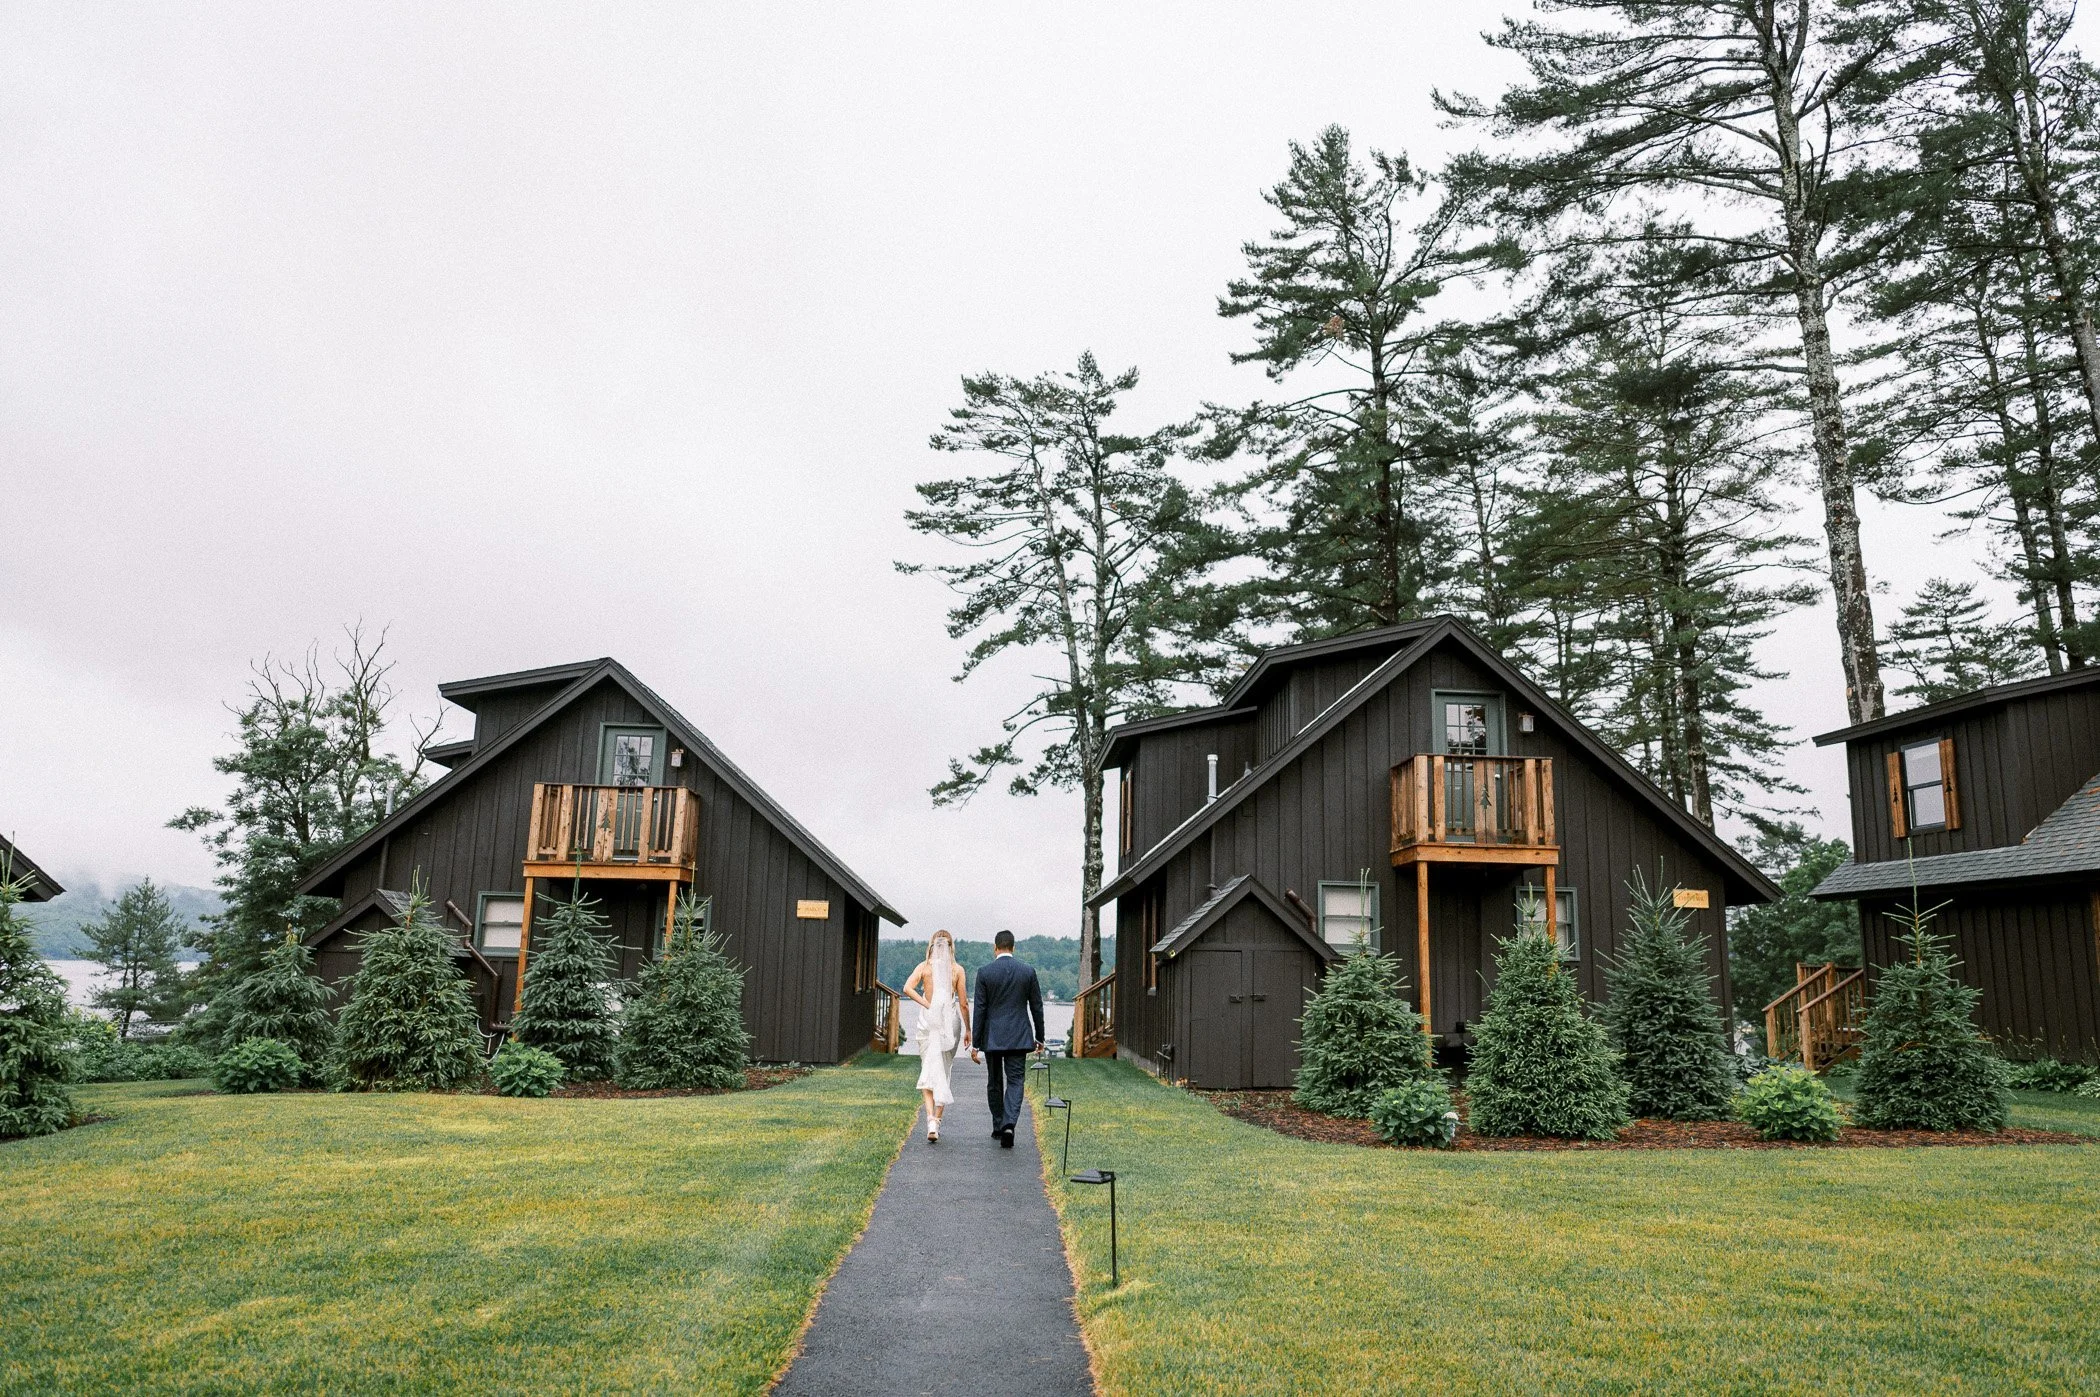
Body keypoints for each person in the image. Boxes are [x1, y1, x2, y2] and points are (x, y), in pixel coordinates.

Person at [969, 928, 1044, 1148]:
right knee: (1015, 1080)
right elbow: (1037, 1006)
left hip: (992, 1037)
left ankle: (997, 1125)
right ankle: (1009, 1124)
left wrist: (976, 1042)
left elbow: (980, 1009)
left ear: (995, 948)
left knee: (994, 1081)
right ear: (1013, 947)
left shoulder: (984, 973)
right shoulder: (1028, 971)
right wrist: (1040, 1036)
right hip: (1019, 1036)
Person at [902, 929, 970, 1143]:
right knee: (945, 1069)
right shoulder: (957, 970)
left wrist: (927, 1004)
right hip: (949, 1023)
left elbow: (907, 988)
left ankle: (930, 1120)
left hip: (927, 1021)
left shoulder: (924, 968)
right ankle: (937, 1121)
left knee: (928, 1069)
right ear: (951, 948)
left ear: (932, 945)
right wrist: (969, 1029)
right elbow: (964, 1003)